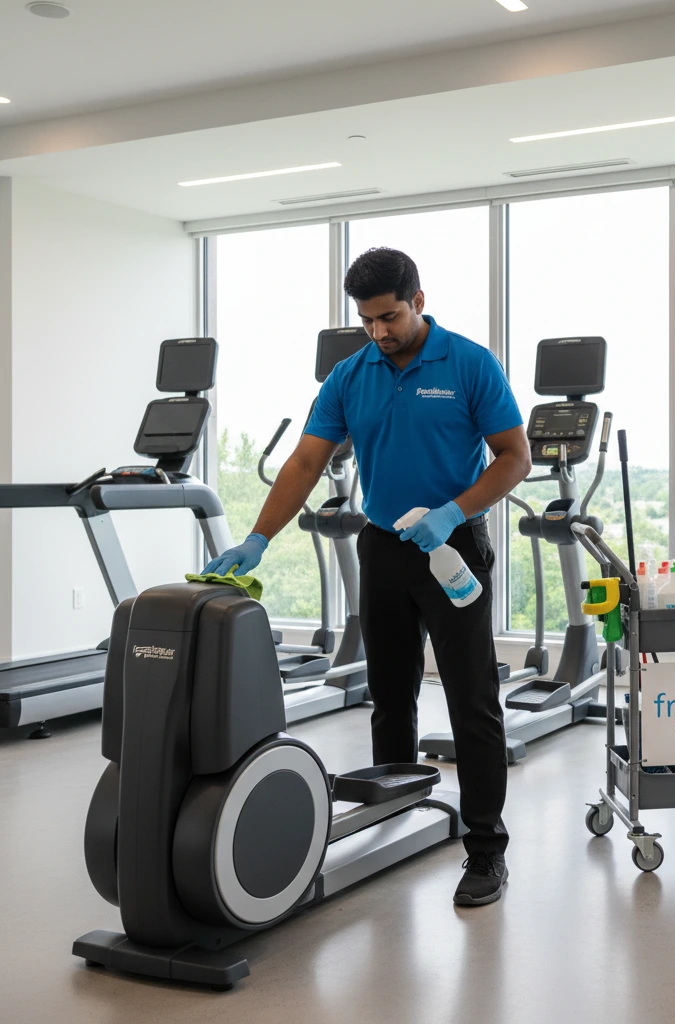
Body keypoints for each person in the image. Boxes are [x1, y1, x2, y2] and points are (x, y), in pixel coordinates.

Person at [204, 247, 531, 906]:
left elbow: (514, 458)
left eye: (389, 316)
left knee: (472, 702)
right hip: (382, 545)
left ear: (418, 298)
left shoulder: (470, 363)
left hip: (451, 544)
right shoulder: (352, 375)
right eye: (367, 321)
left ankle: (486, 850)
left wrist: (454, 511)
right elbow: (302, 464)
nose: (379, 331)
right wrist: (259, 537)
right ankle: (397, 814)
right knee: (391, 694)